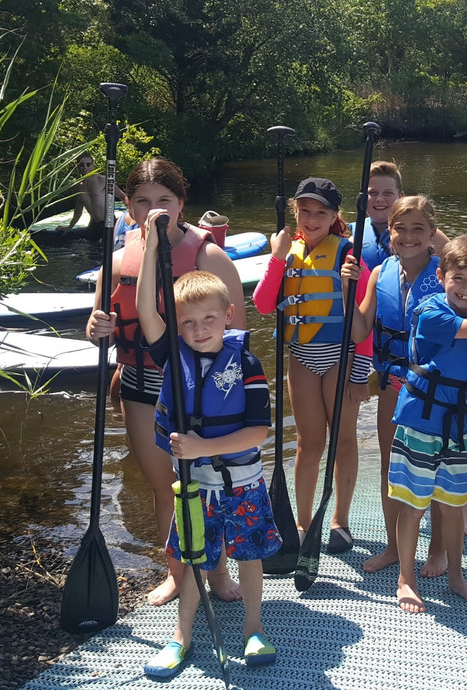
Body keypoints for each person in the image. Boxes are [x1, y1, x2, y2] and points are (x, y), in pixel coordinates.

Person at [85, 157, 248, 606]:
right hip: (139, 384)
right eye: (142, 201)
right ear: (128, 206)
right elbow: (98, 322)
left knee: (206, 487)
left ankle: (215, 572)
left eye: (164, 201)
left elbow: (235, 332)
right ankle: (177, 573)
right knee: (165, 487)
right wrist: (97, 326)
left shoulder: (207, 256)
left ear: (181, 204)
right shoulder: (116, 261)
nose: (153, 209)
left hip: (201, 391)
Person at [134, 217, 279, 677]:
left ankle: (253, 630)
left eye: (209, 320)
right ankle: (182, 637)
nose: (198, 330)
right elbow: (145, 312)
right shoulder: (171, 355)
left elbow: (258, 432)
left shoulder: (248, 363)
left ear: (228, 317)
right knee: (194, 562)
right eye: (189, 323)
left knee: (249, 558)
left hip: (243, 484)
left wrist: (200, 446)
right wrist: (154, 245)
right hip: (196, 489)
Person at [385, 234, 467, 613]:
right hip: (421, 429)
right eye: (460, 279)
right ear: (441, 277)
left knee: (454, 508)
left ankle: (456, 576)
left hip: (459, 432)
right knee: (413, 507)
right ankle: (406, 578)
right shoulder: (433, 314)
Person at [251, 177, 372, 554]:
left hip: (341, 357)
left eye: (321, 212)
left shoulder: (349, 255)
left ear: (335, 216)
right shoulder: (286, 251)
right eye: (305, 210)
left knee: (343, 439)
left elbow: (366, 324)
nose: (311, 218)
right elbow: (263, 305)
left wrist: (359, 373)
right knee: (309, 443)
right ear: (295, 212)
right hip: (302, 358)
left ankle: (340, 520)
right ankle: (303, 523)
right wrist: (275, 258)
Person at [344, 195, 455, 575]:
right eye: (400, 229)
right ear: (389, 232)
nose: (408, 237)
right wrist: (347, 292)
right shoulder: (379, 273)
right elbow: (360, 329)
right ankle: (394, 546)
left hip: (436, 390)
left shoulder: (446, 275)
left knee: (435, 470)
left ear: (431, 233)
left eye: (418, 229)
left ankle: (437, 550)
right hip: (392, 383)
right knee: (394, 467)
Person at [351, 160, 449, 271]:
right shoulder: (353, 236)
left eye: (388, 193)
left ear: (401, 196)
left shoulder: (428, 235)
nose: (379, 199)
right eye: (373, 193)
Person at [63, 152, 125, 242]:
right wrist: (69, 227)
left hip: (108, 222)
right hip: (93, 224)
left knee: (106, 251)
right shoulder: (78, 186)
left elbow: (122, 196)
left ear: (93, 166)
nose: (85, 167)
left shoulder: (103, 180)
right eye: (81, 165)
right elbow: (78, 210)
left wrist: (133, 218)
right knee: (91, 252)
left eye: (88, 165)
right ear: (77, 167)